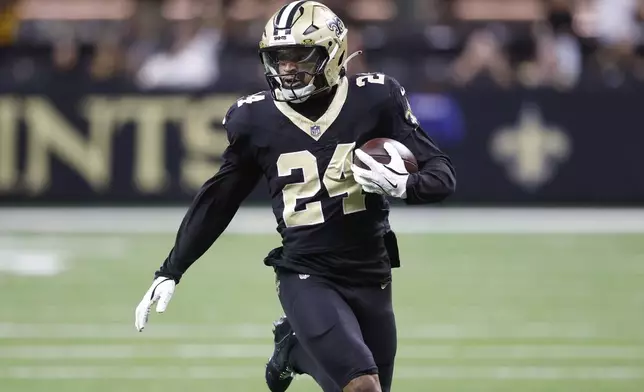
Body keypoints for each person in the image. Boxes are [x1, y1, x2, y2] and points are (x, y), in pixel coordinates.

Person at [134, 1, 456, 391]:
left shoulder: (376, 98)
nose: (287, 68)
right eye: (279, 58)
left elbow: (441, 174)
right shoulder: (254, 118)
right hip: (307, 272)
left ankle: (293, 352)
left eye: (300, 57)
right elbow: (220, 198)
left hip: (372, 270)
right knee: (363, 387)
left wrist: (407, 186)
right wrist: (172, 267)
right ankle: (297, 349)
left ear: (333, 53)